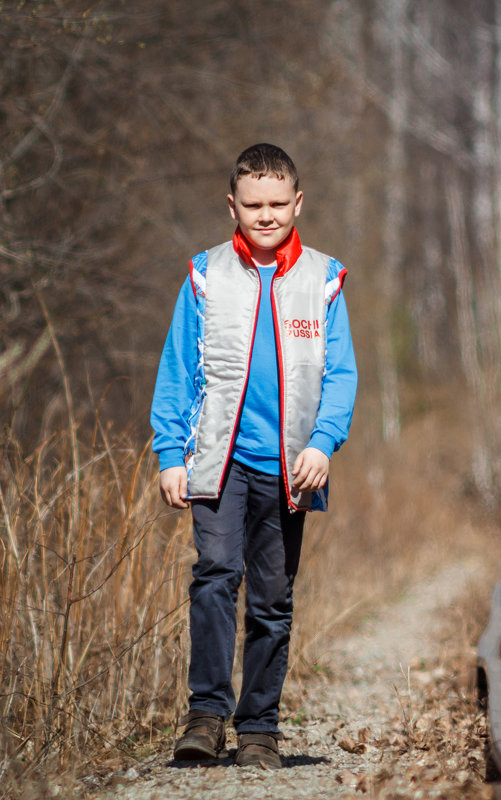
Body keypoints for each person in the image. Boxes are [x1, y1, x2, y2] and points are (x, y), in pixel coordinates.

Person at [150, 143, 357, 769]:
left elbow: (340, 374)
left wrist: (323, 442)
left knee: (272, 599)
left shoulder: (323, 279)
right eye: (252, 204)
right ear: (232, 206)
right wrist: (169, 453)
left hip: (288, 468)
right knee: (215, 575)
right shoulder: (205, 275)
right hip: (217, 461)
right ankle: (206, 716)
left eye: (276, 203)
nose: (265, 215)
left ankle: (259, 729)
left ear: (298, 202)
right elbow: (177, 370)